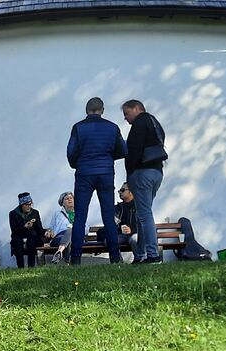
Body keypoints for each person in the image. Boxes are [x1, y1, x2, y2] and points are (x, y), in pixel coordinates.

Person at [66, 97, 126, 265]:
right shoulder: (112, 127)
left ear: (86, 110)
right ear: (102, 110)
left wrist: (77, 164)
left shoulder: (78, 127)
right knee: (108, 215)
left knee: (80, 216)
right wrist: (108, 158)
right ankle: (114, 257)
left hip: (84, 173)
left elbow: (71, 151)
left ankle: (75, 258)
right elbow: (123, 149)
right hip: (106, 173)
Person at [122, 99, 166, 264]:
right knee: (143, 214)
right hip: (156, 172)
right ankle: (140, 255)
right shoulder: (154, 122)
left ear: (136, 108)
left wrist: (130, 170)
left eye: (126, 113)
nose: (125, 118)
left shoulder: (140, 123)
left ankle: (153, 255)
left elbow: (135, 150)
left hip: (142, 173)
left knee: (144, 215)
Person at [8, 192, 48, 268]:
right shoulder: (13, 214)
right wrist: (24, 227)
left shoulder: (35, 213)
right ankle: (20, 267)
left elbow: (39, 229)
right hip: (19, 236)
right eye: (27, 205)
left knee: (31, 240)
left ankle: (31, 266)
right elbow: (14, 231)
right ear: (22, 205)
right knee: (17, 241)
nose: (29, 207)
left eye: (30, 204)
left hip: (32, 237)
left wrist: (46, 232)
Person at [46, 192, 77, 263]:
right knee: (70, 235)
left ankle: (60, 251)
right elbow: (51, 227)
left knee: (71, 232)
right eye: (66, 199)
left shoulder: (78, 213)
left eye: (71, 198)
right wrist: (49, 232)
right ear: (62, 203)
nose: (69, 200)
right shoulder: (57, 214)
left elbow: (85, 228)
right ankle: (67, 263)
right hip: (59, 237)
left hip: (75, 236)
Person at [114, 182, 138, 248]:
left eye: (122, 190)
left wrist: (131, 230)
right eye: (119, 191)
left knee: (135, 239)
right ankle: (117, 255)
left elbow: (145, 224)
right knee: (110, 240)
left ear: (131, 191)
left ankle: (140, 255)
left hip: (135, 233)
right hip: (121, 235)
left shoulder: (139, 206)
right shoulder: (118, 208)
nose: (120, 192)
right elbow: (113, 224)